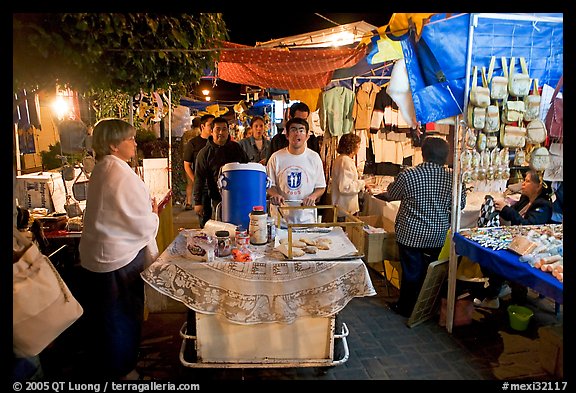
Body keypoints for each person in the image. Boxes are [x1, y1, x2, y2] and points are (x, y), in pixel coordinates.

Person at [79, 118, 160, 380]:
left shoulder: (106, 168)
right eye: (130, 139)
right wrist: (153, 215)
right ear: (114, 145)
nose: (135, 143)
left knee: (109, 318)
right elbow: (137, 221)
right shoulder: (116, 173)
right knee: (121, 318)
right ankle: (123, 371)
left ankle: (115, 366)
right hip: (118, 259)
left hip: (105, 256)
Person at [383, 136, 466, 317]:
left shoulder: (409, 175)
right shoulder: (454, 179)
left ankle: (406, 308)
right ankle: (428, 307)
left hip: (411, 234)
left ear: (423, 154)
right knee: (431, 273)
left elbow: (392, 194)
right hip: (437, 235)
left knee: (412, 272)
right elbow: (461, 204)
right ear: (445, 157)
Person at [473, 169, 554, 309]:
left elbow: (528, 226)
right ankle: (496, 291)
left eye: (527, 181)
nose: (523, 184)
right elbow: (511, 215)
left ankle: (499, 294)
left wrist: (506, 209)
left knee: (499, 257)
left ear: (538, 186)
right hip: (515, 241)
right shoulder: (524, 199)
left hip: (531, 248)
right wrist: (500, 208)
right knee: (488, 253)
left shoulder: (543, 205)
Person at [267, 117, 326, 225]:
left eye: (301, 130)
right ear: (287, 135)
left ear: (307, 136)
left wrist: (312, 197)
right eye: (293, 130)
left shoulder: (314, 158)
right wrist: (275, 194)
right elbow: (269, 185)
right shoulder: (276, 158)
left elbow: (321, 187)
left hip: (306, 218)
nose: (297, 133)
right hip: (280, 219)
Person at [193, 116, 249, 222]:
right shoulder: (204, 153)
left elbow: (246, 166)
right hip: (216, 197)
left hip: (238, 195)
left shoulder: (236, 148)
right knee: (221, 224)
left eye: (224, 129)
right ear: (212, 132)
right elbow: (199, 179)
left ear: (228, 132)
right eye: (217, 129)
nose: (221, 132)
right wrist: (198, 202)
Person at [183, 114, 215, 218]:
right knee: (204, 217)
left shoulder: (218, 142)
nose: (213, 128)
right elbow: (187, 164)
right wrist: (195, 180)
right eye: (211, 125)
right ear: (202, 127)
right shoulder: (193, 143)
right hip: (202, 185)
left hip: (217, 185)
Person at [330, 133, 365, 221]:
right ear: (352, 147)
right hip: (345, 209)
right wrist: (362, 183)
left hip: (343, 208)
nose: (359, 148)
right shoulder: (345, 161)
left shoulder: (341, 159)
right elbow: (345, 187)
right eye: (358, 145)